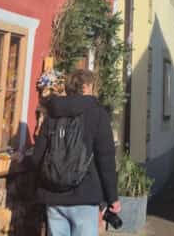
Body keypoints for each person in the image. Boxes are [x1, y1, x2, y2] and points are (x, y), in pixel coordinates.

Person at [34, 69, 120, 236]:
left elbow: (38, 156)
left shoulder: (52, 113)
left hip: (54, 197)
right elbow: (106, 159)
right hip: (85, 196)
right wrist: (112, 198)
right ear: (87, 87)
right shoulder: (97, 114)